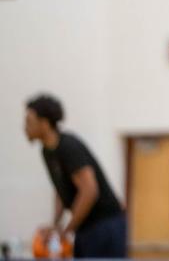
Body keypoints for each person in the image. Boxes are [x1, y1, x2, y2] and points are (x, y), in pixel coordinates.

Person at [24, 94, 127, 258]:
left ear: (44, 123)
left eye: (29, 121)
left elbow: (89, 190)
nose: (25, 127)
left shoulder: (68, 146)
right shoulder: (47, 152)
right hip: (85, 227)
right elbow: (60, 189)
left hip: (105, 226)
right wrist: (55, 225)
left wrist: (67, 230)